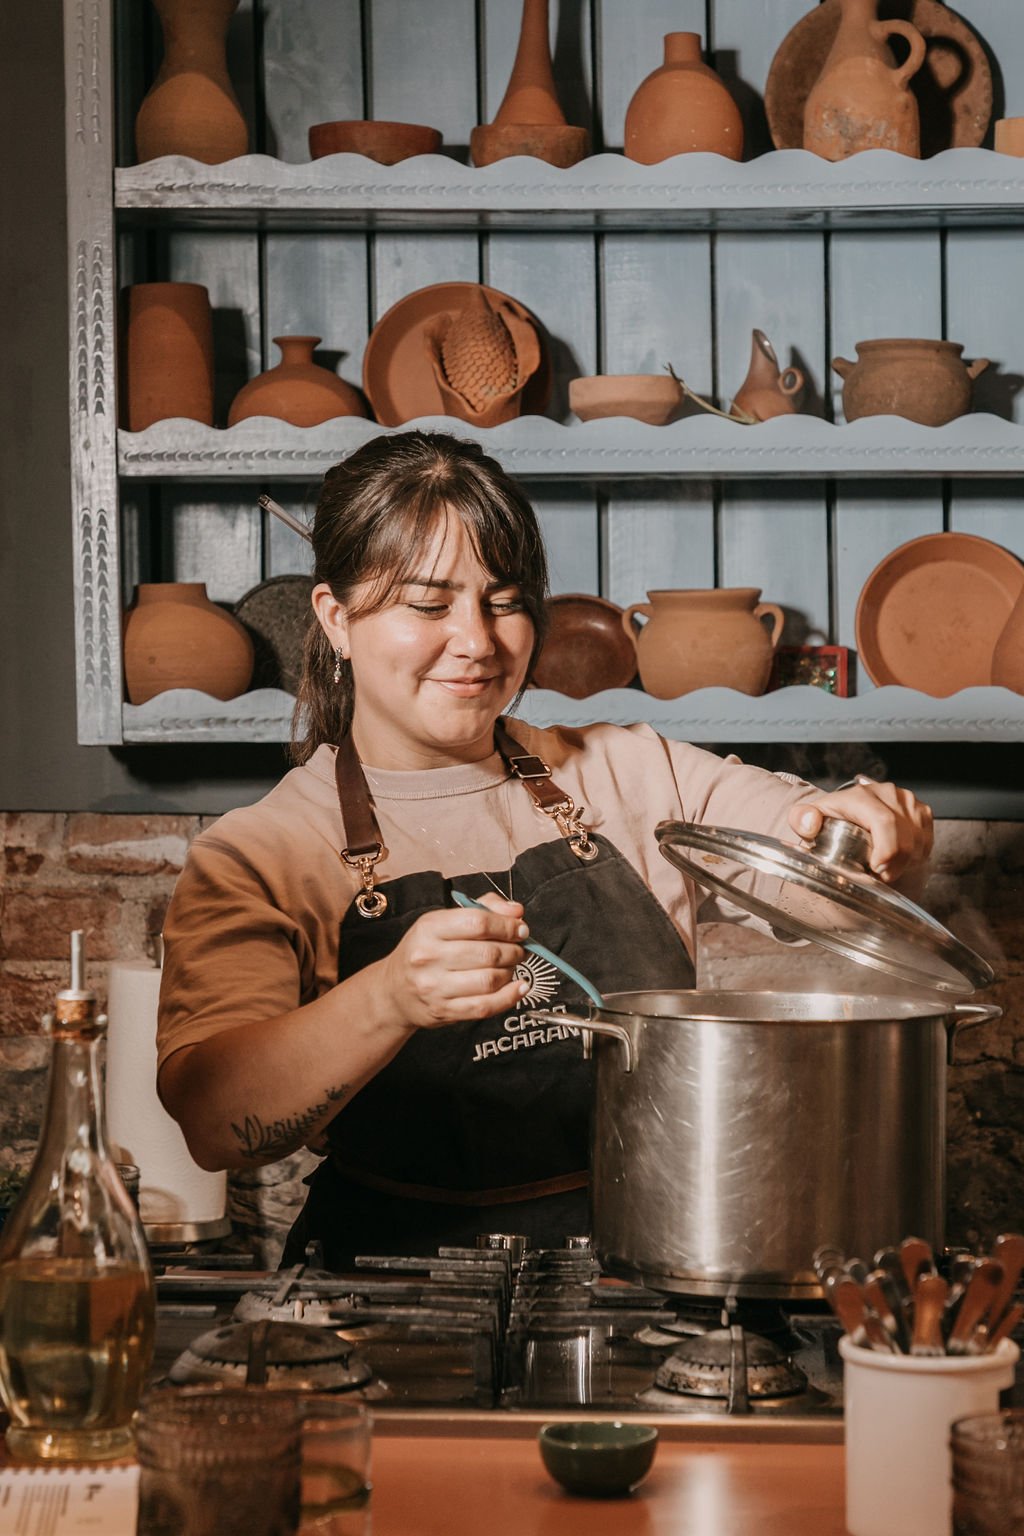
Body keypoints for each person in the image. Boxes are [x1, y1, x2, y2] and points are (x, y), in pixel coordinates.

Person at [157, 430, 934, 1270]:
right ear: (336, 619)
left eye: (505, 600)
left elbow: (813, 871)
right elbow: (215, 1123)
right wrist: (388, 998)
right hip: (389, 1297)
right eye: (427, 605)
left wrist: (871, 839)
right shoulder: (262, 851)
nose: (479, 642)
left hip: (653, 1267)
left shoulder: (633, 771)